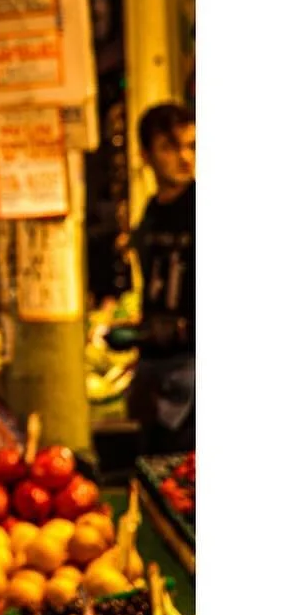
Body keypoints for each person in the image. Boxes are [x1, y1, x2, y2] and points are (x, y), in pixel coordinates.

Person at [125, 101, 196, 452]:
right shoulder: (152, 212)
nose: (185, 157)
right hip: (154, 366)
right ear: (145, 155)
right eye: (170, 147)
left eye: (192, 146)